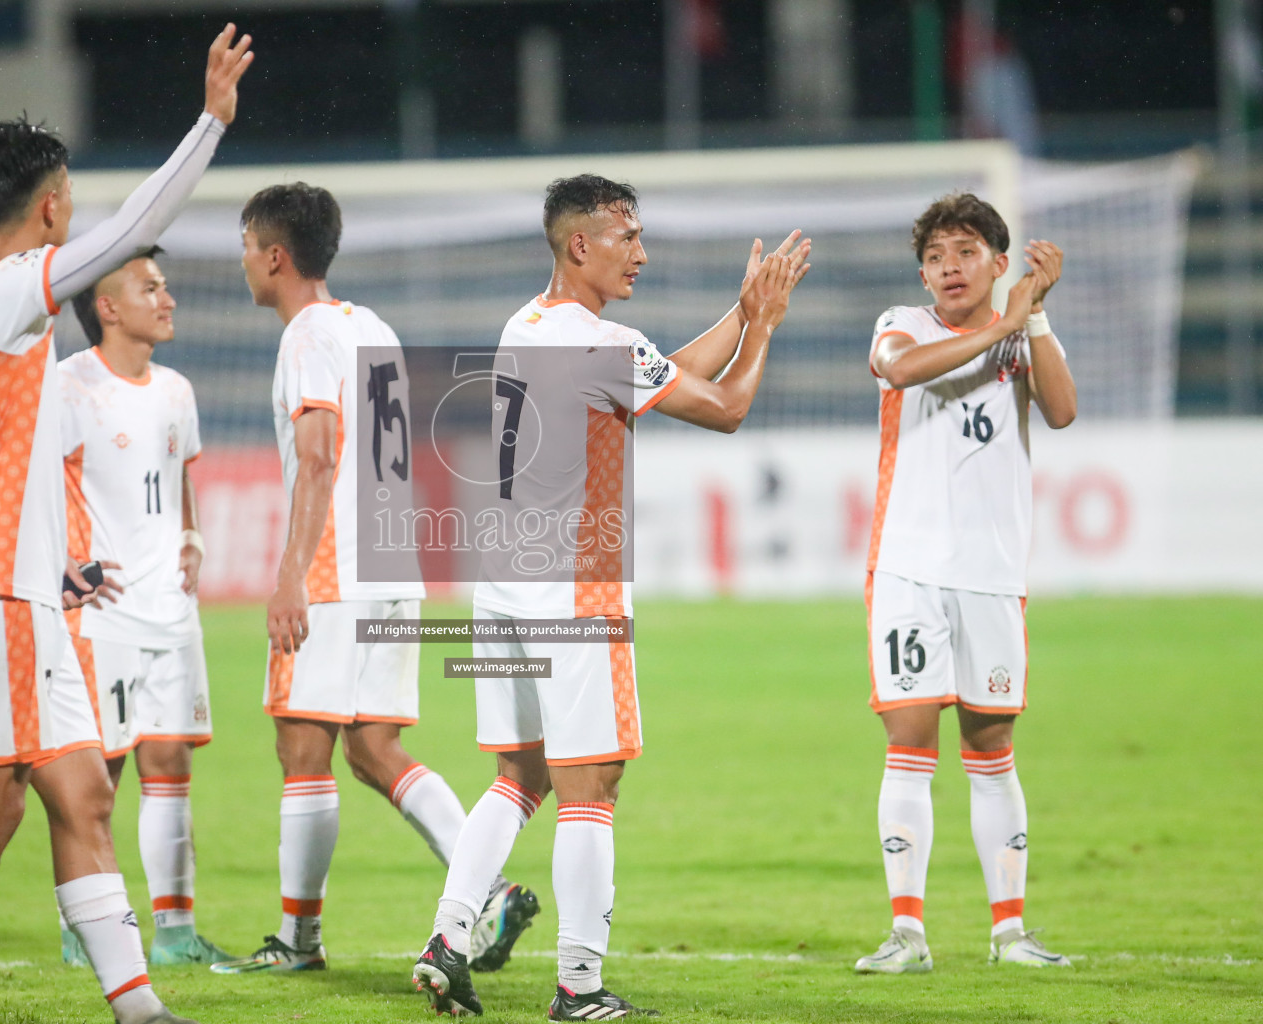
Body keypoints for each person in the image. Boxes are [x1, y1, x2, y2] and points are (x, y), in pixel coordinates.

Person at [0, 26, 254, 1024]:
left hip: (22, 589)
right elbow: (132, 228)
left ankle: (137, 1004)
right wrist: (209, 126)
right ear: (51, 205)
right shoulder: (4, 289)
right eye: (71, 205)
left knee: (81, 794)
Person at [412, 174, 810, 1020]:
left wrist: (738, 314)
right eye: (627, 235)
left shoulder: (530, 325)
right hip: (574, 591)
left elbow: (660, 376)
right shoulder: (602, 343)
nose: (642, 250)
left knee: (518, 775)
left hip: (505, 584)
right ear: (578, 244)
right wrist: (766, 324)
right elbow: (727, 406)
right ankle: (579, 987)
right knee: (592, 787)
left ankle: (449, 938)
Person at [214, 182, 536, 975]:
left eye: (250, 245)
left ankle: (297, 941)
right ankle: (485, 891)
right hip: (391, 560)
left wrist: (290, 575)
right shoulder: (373, 326)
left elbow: (319, 456)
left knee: (302, 746)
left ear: (277, 255)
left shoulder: (307, 337)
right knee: (373, 747)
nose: (245, 261)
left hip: (334, 566)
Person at [855, 192, 1076, 974]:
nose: (949, 267)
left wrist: (1034, 319)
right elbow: (902, 370)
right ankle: (906, 933)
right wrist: (1006, 321)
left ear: (998, 262)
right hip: (908, 572)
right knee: (909, 744)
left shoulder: (1021, 331)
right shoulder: (904, 323)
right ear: (922, 272)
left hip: (991, 574)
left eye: (966, 251)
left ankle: (1010, 932)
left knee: (992, 748)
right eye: (937, 256)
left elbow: (1062, 410)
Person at [56, 246, 231, 966]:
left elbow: (181, 476)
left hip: (171, 605)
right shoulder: (67, 386)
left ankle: (176, 932)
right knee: (97, 776)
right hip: (104, 612)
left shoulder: (177, 390)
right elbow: (38, 481)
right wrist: (63, 563)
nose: (168, 299)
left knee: (170, 761)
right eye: (150, 287)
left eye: (166, 286)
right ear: (107, 307)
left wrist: (190, 534)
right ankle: (82, 924)